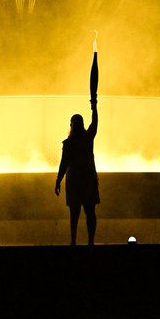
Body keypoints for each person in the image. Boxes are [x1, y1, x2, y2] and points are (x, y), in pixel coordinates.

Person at [55, 96, 99, 245]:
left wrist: (58, 180)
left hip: (76, 181)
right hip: (86, 180)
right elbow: (95, 124)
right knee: (88, 213)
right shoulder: (87, 139)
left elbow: (63, 164)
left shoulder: (70, 143)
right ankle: (88, 242)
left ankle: (74, 242)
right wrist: (94, 107)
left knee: (76, 214)